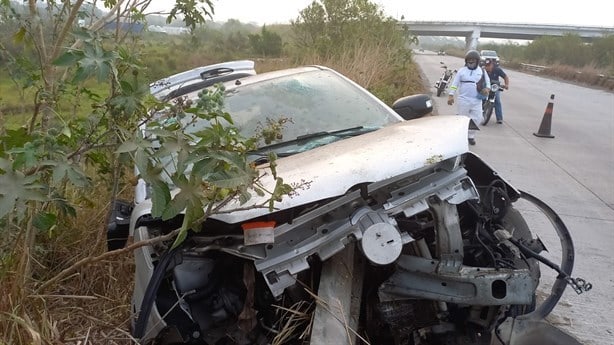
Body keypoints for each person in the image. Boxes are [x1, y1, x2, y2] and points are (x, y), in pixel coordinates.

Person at [447, 50, 490, 145]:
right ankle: (461, 136)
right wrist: (451, 95)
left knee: (477, 118)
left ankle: (470, 136)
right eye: (469, 60)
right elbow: (455, 84)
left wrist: (487, 88)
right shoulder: (461, 71)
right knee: (462, 119)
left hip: (477, 100)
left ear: (477, 61)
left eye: (473, 60)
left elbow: (487, 82)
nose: (471, 62)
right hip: (463, 100)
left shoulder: (481, 71)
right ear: (466, 61)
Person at [483, 58, 510, 124]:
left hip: (494, 87)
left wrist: (506, 85)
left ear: (492, 65)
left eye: (489, 65)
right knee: (481, 98)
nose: (487, 67)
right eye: (486, 66)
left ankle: (499, 118)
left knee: (497, 100)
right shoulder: (482, 70)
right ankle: (478, 112)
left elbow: (505, 77)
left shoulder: (497, 69)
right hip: (485, 87)